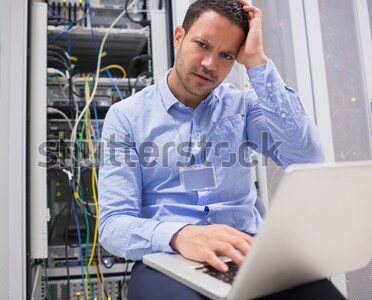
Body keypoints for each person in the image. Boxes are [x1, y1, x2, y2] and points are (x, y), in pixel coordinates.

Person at [98, 0, 326, 299]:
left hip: (246, 249)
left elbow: (307, 158)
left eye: (226, 55)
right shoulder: (126, 116)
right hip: (170, 255)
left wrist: (256, 60)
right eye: (202, 44)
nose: (210, 64)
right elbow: (113, 225)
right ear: (179, 36)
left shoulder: (243, 106)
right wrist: (180, 235)